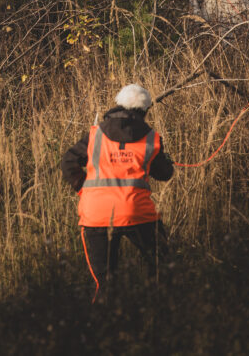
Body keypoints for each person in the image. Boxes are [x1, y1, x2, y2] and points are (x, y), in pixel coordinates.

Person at [61, 83, 174, 299]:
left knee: (104, 283)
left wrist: (84, 188)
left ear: (118, 105)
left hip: (96, 216)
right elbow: (165, 173)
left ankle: (106, 326)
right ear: (145, 110)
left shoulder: (95, 135)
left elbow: (68, 162)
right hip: (137, 213)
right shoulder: (151, 137)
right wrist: (166, 159)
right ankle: (156, 316)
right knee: (162, 268)